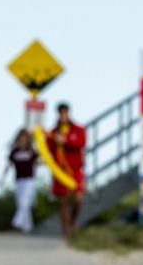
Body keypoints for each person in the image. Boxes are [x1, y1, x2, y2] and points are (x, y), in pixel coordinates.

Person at [47, 102, 86, 237]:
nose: (63, 115)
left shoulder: (78, 129)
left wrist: (65, 141)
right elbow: (48, 149)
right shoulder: (53, 132)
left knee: (78, 199)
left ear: (69, 113)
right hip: (60, 171)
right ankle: (66, 231)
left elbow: (81, 143)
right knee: (63, 201)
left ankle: (72, 222)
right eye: (61, 112)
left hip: (75, 170)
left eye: (65, 112)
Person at [7, 129, 38, 233]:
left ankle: (17, 221)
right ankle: (27, 227)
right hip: (19, 179)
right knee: (21, 203)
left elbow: (39, 159)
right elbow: (9, 164)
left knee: (25, 201)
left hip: (30, 179)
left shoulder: (31, 151)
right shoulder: (15, 151)